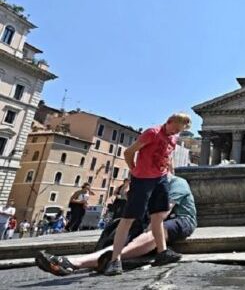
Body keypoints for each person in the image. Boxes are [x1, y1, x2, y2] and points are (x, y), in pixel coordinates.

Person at [36, 175, 197, 276]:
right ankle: (72, 263)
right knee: (124, 230)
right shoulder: (147, 186)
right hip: (149, 225)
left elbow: (162, 214)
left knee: (155, 230)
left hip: (180, 219)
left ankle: (97, 260)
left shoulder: (177, 182)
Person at [104, 113, 191, 276]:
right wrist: (134, 170)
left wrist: (168, 171)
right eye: (176, 129)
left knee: (158, 216)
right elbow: (129, 152)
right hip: (142, 179)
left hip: (161, 179)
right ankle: (114, 260)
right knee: (128, 219)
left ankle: (162, 252)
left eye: (180, 131)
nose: (176, 133)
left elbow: (167, 156)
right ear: (169, 122)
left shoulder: (173, 137)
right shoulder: (152, 132)